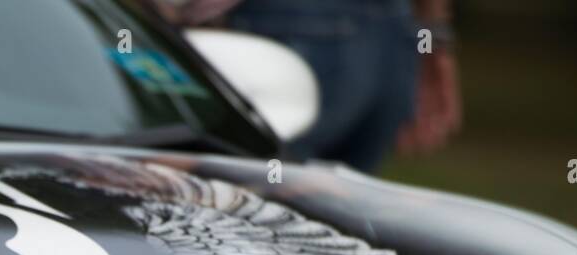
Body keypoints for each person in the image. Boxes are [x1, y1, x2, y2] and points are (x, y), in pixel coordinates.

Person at [156, 0, 463, 171]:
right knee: (336, 225)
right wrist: (432, 39)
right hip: (394, 30)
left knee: (246, 210)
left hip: (293, 22)